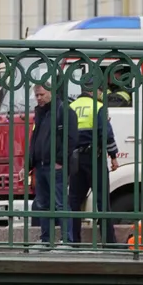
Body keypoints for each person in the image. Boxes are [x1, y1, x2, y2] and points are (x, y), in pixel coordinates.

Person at [68, 83, 120, 246]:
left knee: (74, 201)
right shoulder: (98, 107)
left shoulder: (71, 107)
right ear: (93, 91)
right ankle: (108, 241)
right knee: (102, 201)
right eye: (100, 90)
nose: (102, 94)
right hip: (94, 158)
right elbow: (106, 133)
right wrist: (113, 155)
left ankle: (73, 240)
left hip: (75, 158)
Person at [25, 83, 73, 246]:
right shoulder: (40, 113)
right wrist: (30, 165)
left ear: (51, 93)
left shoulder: (63, 110)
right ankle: (46, 240)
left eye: (42, 95)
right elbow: (35, 140)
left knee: (60, 204)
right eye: (36, 95)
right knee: (42, 204)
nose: (38, 98)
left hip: (55, 166)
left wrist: (59, 161)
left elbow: (71, 138)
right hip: (41, 166)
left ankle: (67, 240)